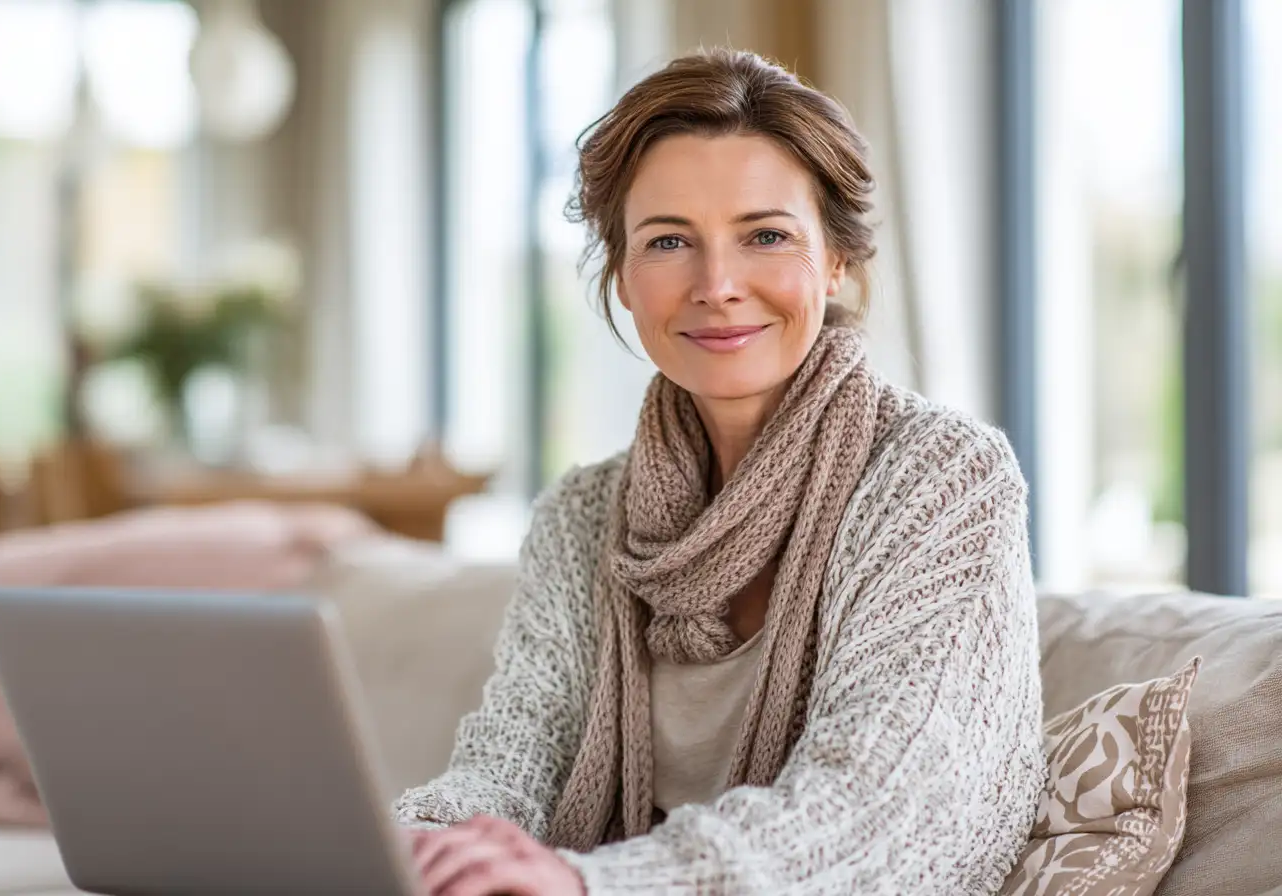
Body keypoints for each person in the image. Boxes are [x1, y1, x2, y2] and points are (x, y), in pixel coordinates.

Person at [395, 48, 1045, 895]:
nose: (718, 284)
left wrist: (599, 885)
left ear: (837, 261)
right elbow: (512, 764)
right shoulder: (583, 514)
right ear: (624, 277)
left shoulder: (941, 477)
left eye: (766, 236)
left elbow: (889, 802)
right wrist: (416, 842)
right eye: (669, 241)